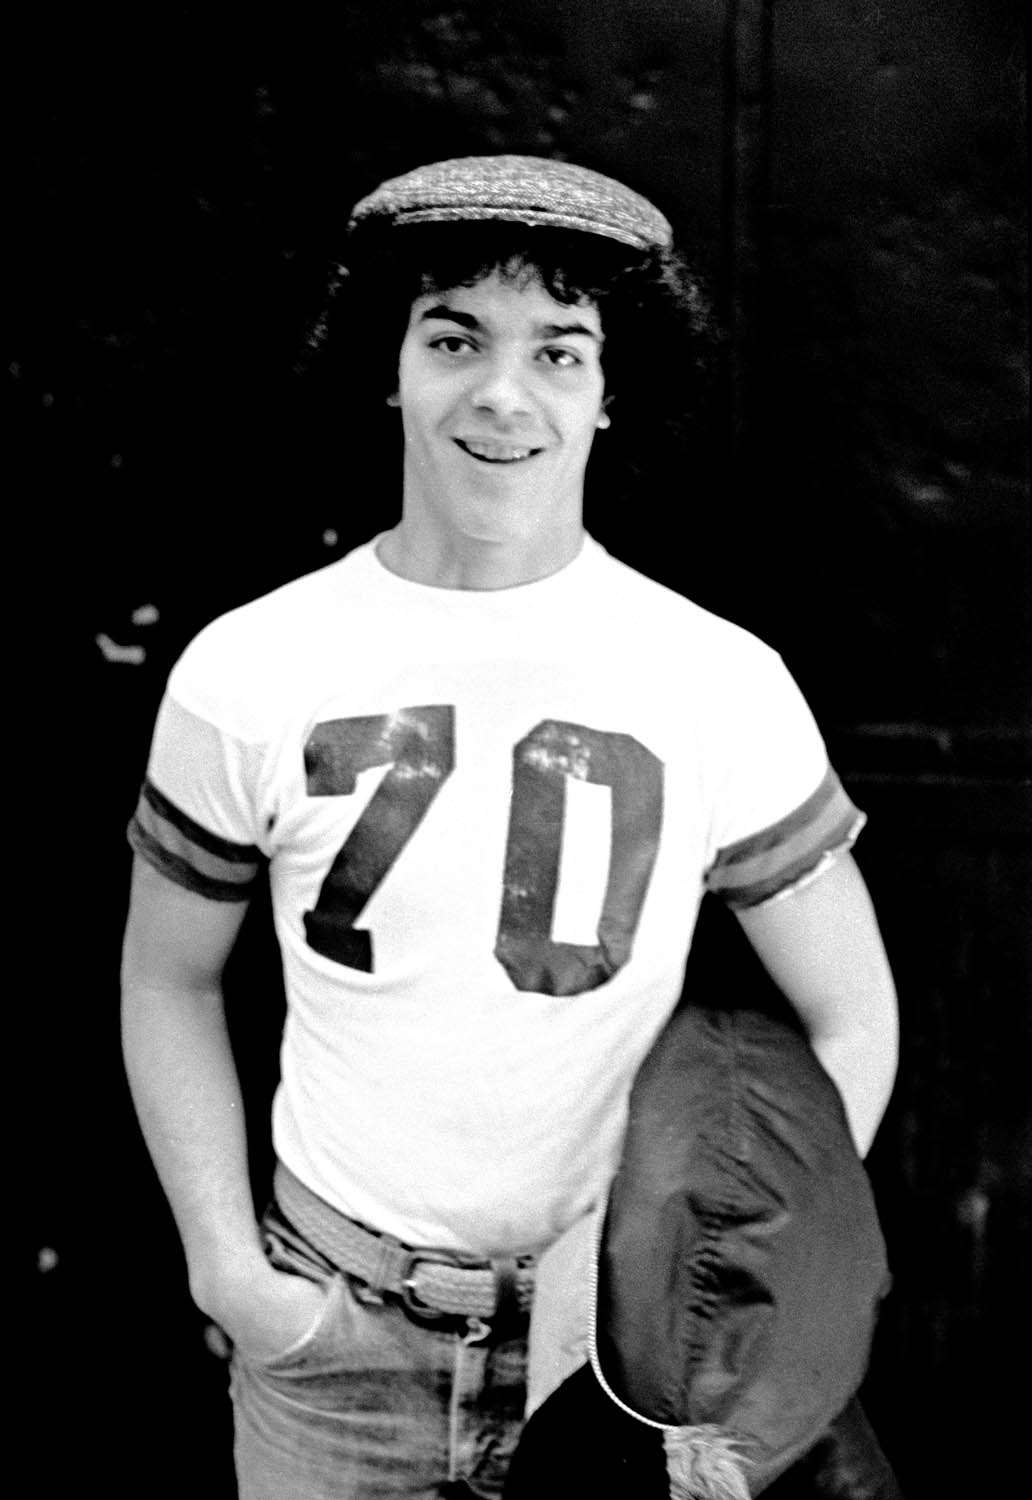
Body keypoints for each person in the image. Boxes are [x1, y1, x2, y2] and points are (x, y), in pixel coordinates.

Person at [121, 155, 900, 1500]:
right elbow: (168, 974)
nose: (502, 392)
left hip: (608, 1370)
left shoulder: (716, 678)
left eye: (560, 349)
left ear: (610, 394)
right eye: (453, 338)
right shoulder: (247, 669)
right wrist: (230, 1274)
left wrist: (708, 1303)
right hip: (331, 1342)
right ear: (393, 367)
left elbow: (853, 1017)